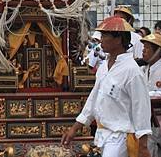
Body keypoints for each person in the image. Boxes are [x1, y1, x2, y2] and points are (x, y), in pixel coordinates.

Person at [61, 16, 152, 157]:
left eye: (105, 36)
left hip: (120, 135)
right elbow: (94, 98)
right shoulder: (104, 66)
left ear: (118, 39)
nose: (101, 39)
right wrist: (75, 128)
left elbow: (141, 109)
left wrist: (143, 145)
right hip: (102, 133)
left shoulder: (132, 71)